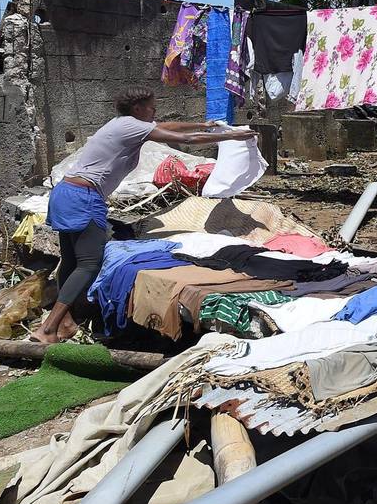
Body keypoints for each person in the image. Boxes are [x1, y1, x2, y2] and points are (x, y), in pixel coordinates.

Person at [33, 88, 257, 344]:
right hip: (84, 197)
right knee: (89, 264)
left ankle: (67, 321)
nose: (154, 111)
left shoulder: (122, 123)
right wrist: (232, 136)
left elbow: (164, 125)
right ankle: (49, 327)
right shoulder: (131, 127)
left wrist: (202, 123)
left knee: (72, 262)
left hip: (65, 192)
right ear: (138, 109)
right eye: (151, 107)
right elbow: (185, 139)